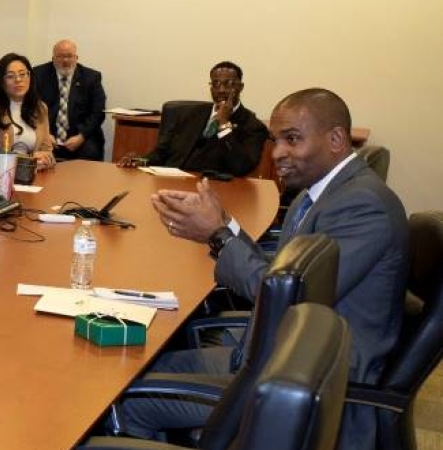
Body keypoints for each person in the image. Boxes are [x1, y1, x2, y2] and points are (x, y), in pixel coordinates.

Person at [125, 88, 406, 450]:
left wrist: (217, 237)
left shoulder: (363, 206)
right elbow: (281, 270)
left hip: (305, 378)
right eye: (275, 141)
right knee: (142, 366)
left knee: (129, 401)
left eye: (292, 140)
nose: (277, 154)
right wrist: (224, 223)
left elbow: (291, 295)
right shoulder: (318, 193)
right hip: (273, 352)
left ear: (336, 139)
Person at [138, 61, 270, 177]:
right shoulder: (190, 114)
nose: (221, 90)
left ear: (240, 87)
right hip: (170, 181)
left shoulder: (253, 126)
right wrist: (140, 160)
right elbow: (161, 153)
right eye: (216, 84)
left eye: (229, 84)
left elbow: (242, 168)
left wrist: (223, 124)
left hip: (213, 190)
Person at [33, 39, 106, 161]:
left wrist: (81, 136)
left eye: (69, 56)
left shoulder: (91, 77)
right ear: (53, 58)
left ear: (76, 57)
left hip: (81, 136)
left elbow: (98, 112)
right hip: (48, 135)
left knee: (90, 153)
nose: (65, 60)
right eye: (60, 56)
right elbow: (31, 107)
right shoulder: (38, 74)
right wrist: (44, 134)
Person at [0, 53, 56, 169]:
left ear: (30, 76)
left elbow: (47, 150)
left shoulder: (40, 108)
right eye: (10, 76)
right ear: (1, 80)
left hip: (31, 177)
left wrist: (45, 159)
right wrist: (22, 162)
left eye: (23, 74)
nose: (18, 80)